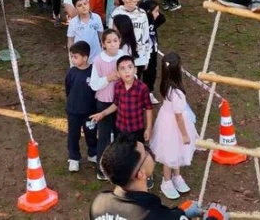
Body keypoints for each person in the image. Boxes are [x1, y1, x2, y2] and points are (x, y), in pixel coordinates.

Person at [89, 133, 229, 219]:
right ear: (141, 174)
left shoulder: (98, 204)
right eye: (147, 151)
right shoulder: (152, 215)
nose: (150, 152)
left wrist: (178, 213)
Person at [150, 52, 198, 199]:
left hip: (166, 119)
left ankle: (176, 177)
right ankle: (167, 181)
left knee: (175, 151)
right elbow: (178, 117)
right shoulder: (177, 93)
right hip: (174, 125)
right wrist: (184, 134)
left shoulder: (166, 85)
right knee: (170, 153)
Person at [90, 29, 128, 180]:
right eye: (109, 42)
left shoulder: (124, 57)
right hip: (104, 103)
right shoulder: (98, 61)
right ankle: (101, 168)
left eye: (115, 41)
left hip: (122, 102)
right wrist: (109, 78)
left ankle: (118, 165)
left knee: (120, 135)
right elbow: (94, 85)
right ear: (103, 44)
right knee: (104, 137)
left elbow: (132, 75)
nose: (113, 44)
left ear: (120, 41)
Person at [90, 55, 153, 146]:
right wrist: (103, 113)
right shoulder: (118, 86)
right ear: (118, 73)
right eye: (122, 68)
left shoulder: (142, 88)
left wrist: (149, 128)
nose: (127, 71)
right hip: (121, 128)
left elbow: (148, 108)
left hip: (137, 128)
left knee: (137, 153)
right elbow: (116, 104)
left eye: (130, 67)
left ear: (135, 70)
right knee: (122, 153)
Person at [110, 0, 154, 99]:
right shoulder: (116, 13)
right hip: (121, 55)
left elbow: (146, 36)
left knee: (134, 83)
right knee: (119, 82)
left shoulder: (142, 13)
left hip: (137, 56)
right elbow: (111, 35)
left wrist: (146, 58)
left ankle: (133, 104)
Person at [66, 41, 98, 172]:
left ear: (85, 58)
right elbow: (68, 88)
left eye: (75, 57)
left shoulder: (93, 72)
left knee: (91, 133)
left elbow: (96, 90)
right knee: (73, 135)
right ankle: (74, 158)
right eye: (72, 57)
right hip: (73, 111)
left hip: (90, 112)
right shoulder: (71, 72)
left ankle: (93, 153)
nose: (73, 59)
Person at [67, 0, 105, 64]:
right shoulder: (73, 22)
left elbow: (101, 35)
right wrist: (72, 56)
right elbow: (70, 40)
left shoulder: (97, 18)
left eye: (85, 4)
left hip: (96, 55)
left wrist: (104, 51)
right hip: (80, 56)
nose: (83, 7)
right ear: (75, 8)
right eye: (79, 5)